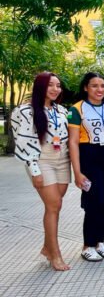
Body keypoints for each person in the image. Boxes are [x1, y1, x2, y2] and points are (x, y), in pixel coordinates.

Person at [11, 72, 71, 270]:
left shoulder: (62, 110)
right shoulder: (25, 111)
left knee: (56, 205)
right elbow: (25, 142)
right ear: (40, 87)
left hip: (62, 159)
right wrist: (34, 169)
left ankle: (47, 247)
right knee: (53, 205)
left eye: (58, 85)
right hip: (41, 159)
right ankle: (55, 255)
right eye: (50, 85)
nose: (55, 89)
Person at [68, 72, 104, 262]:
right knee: (94, 201)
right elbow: (73, 143)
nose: (99, 89)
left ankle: (100, 242)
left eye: (102, 85)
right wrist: (77, 172)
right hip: (90, 156)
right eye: (94, 85)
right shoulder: (77, 109)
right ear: (85, 87)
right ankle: (88, 244)